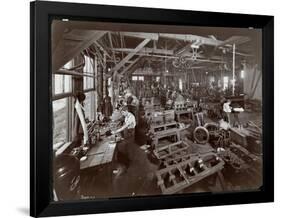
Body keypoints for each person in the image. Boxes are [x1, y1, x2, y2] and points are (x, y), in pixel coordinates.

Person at [106, 106, 136, 174]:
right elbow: (123, 122)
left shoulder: (131, 116)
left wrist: (116, 131)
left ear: (126, 111)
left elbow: (125, 126)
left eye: (123, 113)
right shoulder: (127, 115)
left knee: (123, 149)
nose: (122, 114)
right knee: (123, 148)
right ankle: (125, 164)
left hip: (130, 134)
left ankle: (125, 167)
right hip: (127, 133)